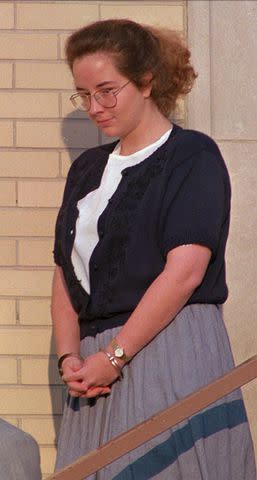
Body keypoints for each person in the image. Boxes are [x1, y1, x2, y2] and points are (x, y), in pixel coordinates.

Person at [52, 19, 256, 479]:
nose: (95, 107)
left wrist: (116, 356)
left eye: (107, 90)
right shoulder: (86, 171)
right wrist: (70, 358)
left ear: (146, 81)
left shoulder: (190, 156)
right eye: (83, 95)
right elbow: (65, 275)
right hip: (93, 368)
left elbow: (185, 271)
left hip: (168, 347)